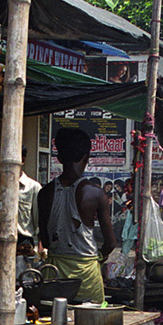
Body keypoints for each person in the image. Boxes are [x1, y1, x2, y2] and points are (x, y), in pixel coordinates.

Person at [37, 128, 114, 303]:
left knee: (52, 323)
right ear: (86, 157)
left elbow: (47, 241)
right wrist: (99, 257)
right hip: (86, 277)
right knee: (90, 324)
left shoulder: (44, 193)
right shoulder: (96, 194)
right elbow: (110, 243)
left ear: (59, 158)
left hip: (54, 274)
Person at [0, 147, 42, 259]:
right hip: (0, 243)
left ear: (22, 160)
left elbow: (39, 224)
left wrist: (41, 251)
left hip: (24, 246)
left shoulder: (33, 188)